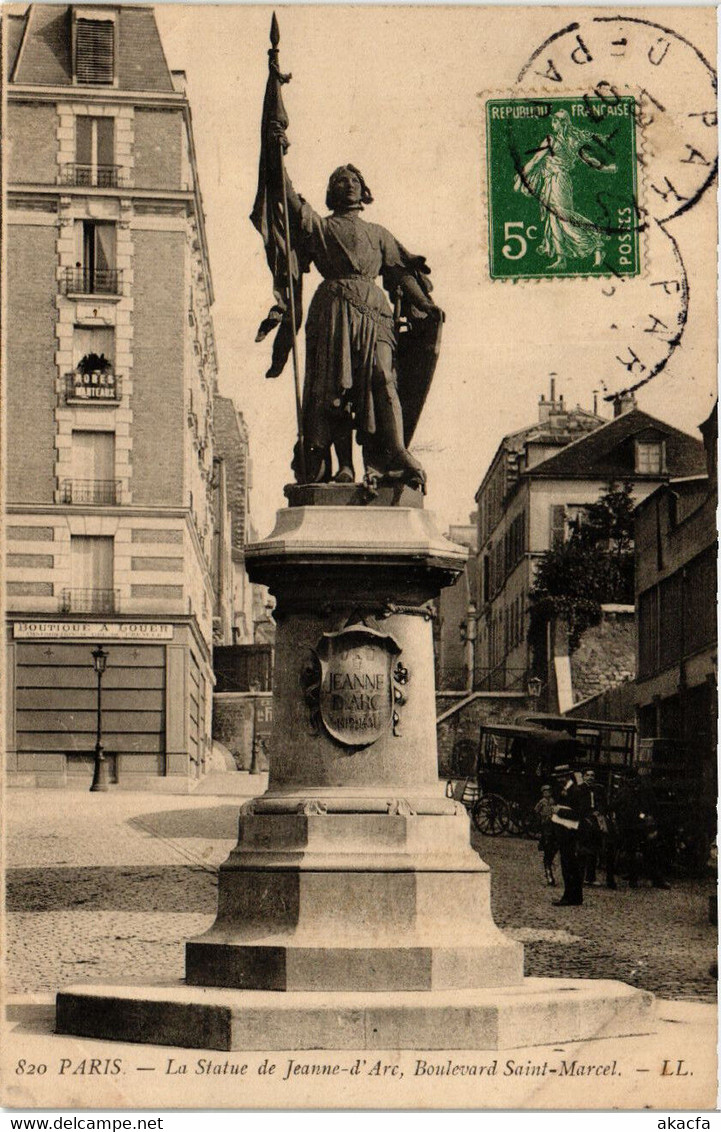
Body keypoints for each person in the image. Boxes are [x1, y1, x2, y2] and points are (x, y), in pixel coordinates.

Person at [270, 142, 444, 487]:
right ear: (330, 192)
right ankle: (346, 466)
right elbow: (287, 196)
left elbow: (400, 272)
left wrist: (424, 306)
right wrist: (276, 155)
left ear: (364, 191)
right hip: (333, 308)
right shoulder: (319, 226)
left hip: (374, 310)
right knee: (335, 390)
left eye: (353, 180)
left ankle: (396, 451)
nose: (347, 184)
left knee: (383, 377)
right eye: (339, 180)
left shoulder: (378, 233)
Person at [513, 109, 617, 271]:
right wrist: (607, 168)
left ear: (561, 124)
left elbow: (534, 160)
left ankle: (596, 241)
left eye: (555, 121)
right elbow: (590, 161)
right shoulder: (573, 141)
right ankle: (563, 258)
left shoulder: (551, 140)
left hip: (557, 181)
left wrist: (521, 176)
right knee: (555, 218)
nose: (552, 124)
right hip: (557, 182)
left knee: (562, 216)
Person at [550, 765, 592, 906]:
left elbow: (579, 813)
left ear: (566, 777)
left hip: (570, 833)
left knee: (569, 865)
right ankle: (574, 896)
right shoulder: (566, 790)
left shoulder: (575, 791)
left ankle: (570, 897)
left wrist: (559, 811)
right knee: (569, 865)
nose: (558, 780)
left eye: (560, 777)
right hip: (564, 832)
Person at [534, 783, 558, 886]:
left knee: (554, 846)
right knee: (548, 845)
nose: (547, 793)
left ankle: (549, 864)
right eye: (545, 792)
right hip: (545, 826)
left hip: (553, 824)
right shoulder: (542, 802)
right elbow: (536, 811)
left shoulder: (553, 801)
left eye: (548, 791)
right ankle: (548, 871)